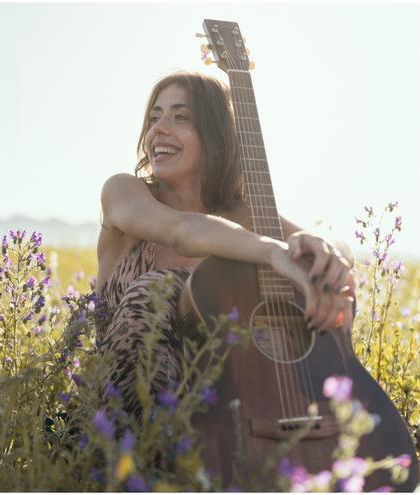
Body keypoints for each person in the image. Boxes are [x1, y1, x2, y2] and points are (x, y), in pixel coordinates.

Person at [95, 71, 354, 418]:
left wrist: (327, 251)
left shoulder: (245, 217)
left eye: (181, 116)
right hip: (125, 418)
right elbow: (181, 232)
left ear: (215, 136)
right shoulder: (124, 193)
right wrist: (274, 252)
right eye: (154, 116)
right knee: (156, 290)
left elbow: (332, 246)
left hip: (228, 412)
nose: (159, 128)